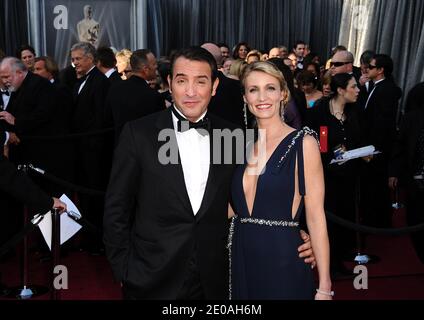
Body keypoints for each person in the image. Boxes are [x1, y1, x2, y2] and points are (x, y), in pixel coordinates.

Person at [103, 47, 315, 300]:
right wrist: (124, 271)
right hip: (151, 277)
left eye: (201, 81)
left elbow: (255, 201)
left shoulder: (236, 137)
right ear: (169, 84)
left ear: (214, 86)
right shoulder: (138, 134)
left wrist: (295, 233)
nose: (191, 92)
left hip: (217, 278)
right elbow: (117, 209)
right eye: (182, 81)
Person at [229, 61, 332, 300]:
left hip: (283, 258)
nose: (262, 96)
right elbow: (231, 208)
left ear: (283, 93)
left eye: (270, 88)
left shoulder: (303, 143)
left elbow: (316, 216)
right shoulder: (241, 145)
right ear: (245, 97)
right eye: (253, 89)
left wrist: (325, 286)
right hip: (241, 257)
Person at [306, 73, 361, 277]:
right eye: (353, 87)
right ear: (341, 90)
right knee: (329, 221)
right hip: (326, 177)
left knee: (345, 218)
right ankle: (331, 266)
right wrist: (333, 154)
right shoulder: (320, 112)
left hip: (349, 177)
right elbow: (318, 143)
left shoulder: (354, 112)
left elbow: (357, 139)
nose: (358, 90)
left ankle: (340, 257)